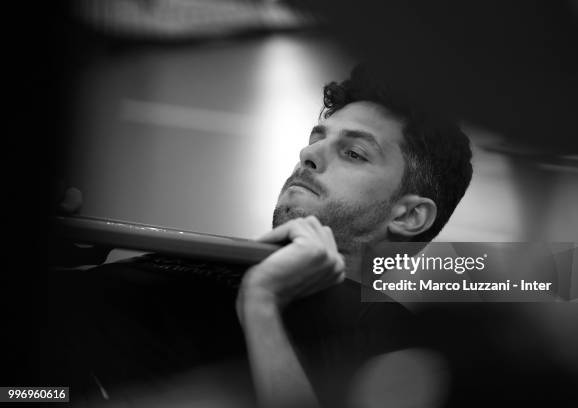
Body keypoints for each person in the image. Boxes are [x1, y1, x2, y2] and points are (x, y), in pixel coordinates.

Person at [45, 64, 473, 407]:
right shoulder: (207, 261)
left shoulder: (397, 351)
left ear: (411, 215)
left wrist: (262, 306)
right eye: (316, 139)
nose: (309, 154)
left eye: (354, 153)